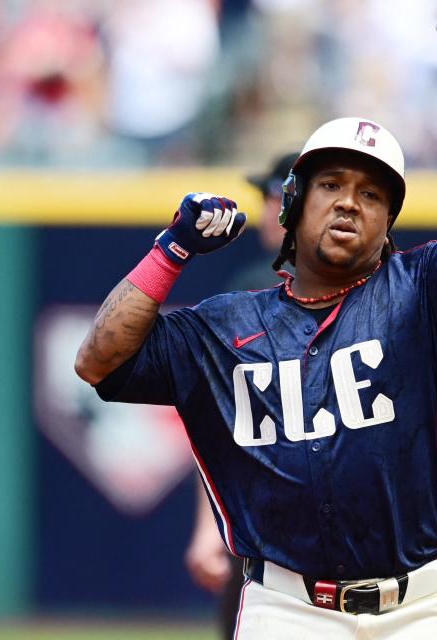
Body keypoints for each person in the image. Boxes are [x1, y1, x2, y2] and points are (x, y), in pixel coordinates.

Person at [75, 13, 437, 639]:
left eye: (373, 194)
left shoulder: (427, 291)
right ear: (293, 205)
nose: (350, 201)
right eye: (331, 184)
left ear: (387, 225)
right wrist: (170, 252)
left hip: (419, 607)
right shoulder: (226, 326)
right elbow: (97, 360)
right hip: (286, 609)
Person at [183, 152, 297, 640]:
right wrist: (210, 525)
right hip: (257, 526)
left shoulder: (378, 288)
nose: (263, 212)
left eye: (270, 197)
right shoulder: (250, 290)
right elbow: (218, 420)